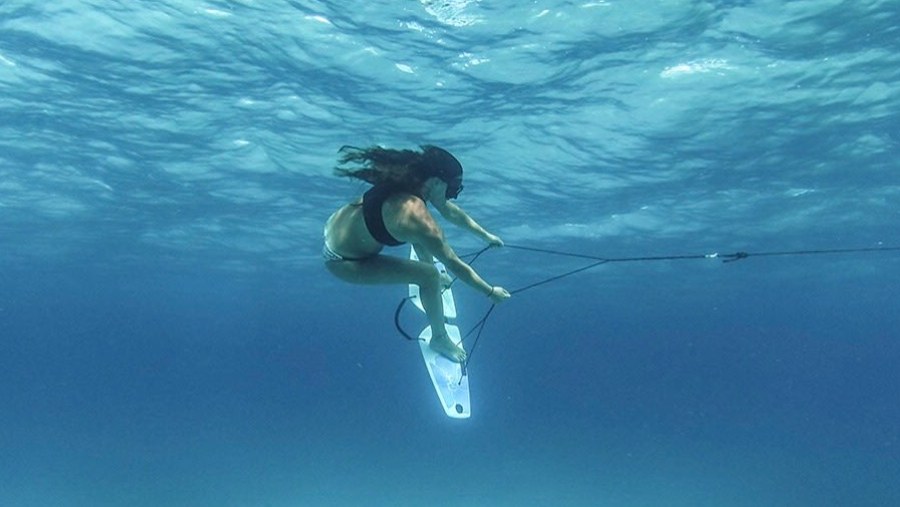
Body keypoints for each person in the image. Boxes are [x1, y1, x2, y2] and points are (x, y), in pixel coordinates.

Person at [323, 145, 511, 363]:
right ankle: (439, 338)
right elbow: (453, 263)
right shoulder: (416, 216)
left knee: (419, 234)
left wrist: (486, 236)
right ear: (436, 182)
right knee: (428, 274)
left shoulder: (409, 182)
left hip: (334, 232)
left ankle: (432, 279)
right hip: (344, 262)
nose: (453, 194)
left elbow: (448, 210)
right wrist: (490, 292)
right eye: (452, 187)